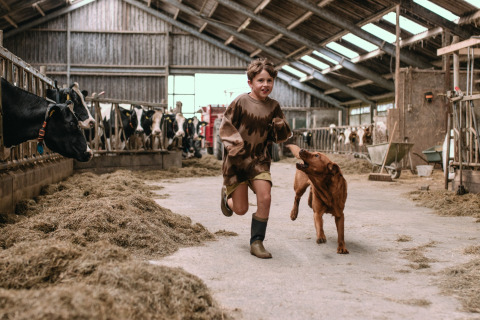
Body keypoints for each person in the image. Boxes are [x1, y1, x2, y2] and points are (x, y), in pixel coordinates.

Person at [219, 58, 292, 259]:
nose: (265, 84)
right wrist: (236, 147)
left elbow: (281, 137)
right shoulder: (241, 102)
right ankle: (228, 199)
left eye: (269, 80)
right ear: (250, 82)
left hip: (259, 160)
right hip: (237, 162)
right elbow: (225, 127)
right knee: (241, 209)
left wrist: (280, 127)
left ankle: (257, 241)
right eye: (260, 80)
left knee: (265, 197)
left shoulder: (274, 106)